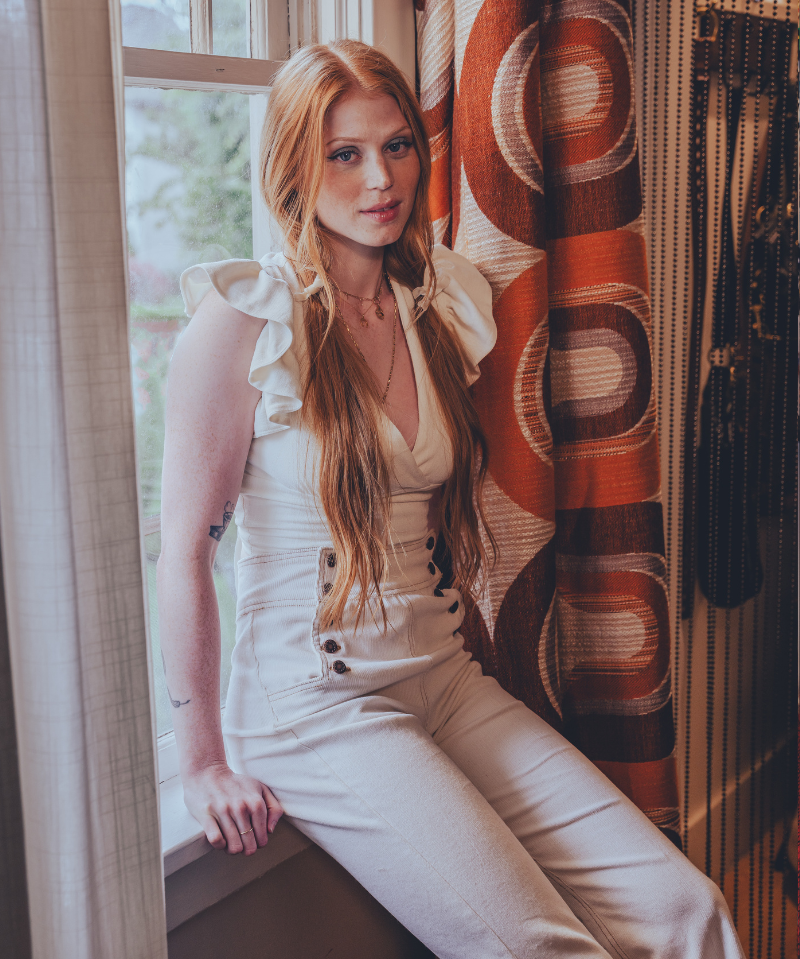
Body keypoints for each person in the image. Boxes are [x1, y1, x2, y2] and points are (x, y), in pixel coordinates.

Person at [157, 39, 745, 959]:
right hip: (319, 703)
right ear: (292, 168)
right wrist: (198, 765)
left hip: (441, 673)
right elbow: (184, 548)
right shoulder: (242, 323)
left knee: (687, 906)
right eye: (344, 154)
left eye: (396, 146)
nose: (380, 178)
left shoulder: (435, 308)